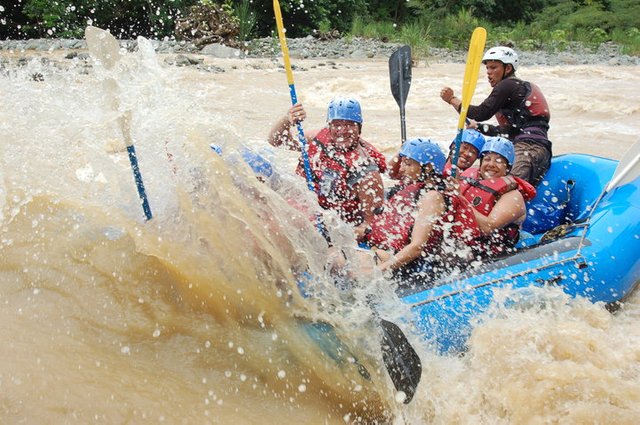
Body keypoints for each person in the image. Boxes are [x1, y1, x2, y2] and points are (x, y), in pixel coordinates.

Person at [356, 138, 479, 287]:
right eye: (402, 163)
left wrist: (377, 272)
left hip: (414, 265)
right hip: (388, 252)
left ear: (427, 168)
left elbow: (416, 247)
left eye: (408, 164)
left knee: (346, 263)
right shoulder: (408, 190)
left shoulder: (433, 197)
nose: (401, 169)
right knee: (334, 253)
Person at [440, 46, 552, 186]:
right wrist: (480, 127)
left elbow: (480, 113)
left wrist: (452, 99)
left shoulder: (508, 84)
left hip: (529, 148)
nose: (489, 72)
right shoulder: (514, 92)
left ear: (508, 68)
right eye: (487, 68)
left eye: (493, 68)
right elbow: (506, 132)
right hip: (531, 147)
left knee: (508, 187)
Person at [268, 97, 387, 227]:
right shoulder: (317, 138)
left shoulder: (367, 172)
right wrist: (287, 119)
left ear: (359, 128)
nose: (342, 130)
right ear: (329, 126)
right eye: (337, 125)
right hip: (303, 206)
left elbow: (370, 226)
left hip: (333, 226)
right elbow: (277, 141)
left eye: (349, 125)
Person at [458, 137, 537, 259]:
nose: (491, 165)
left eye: (499, 161)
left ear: (507, 168)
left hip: (495, 255)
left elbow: (488, 228)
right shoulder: (468, 180)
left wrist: (459, 198)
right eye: (487, 159)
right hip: (465, 245)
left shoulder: (513, 196)